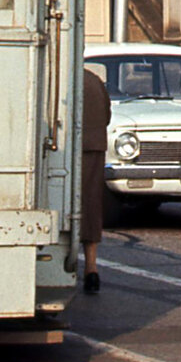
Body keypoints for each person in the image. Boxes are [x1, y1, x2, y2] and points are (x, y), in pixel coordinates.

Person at [81, 66, 111, 294]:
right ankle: (91, 267)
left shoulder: (58, 77)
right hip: (93, 148)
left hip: (66, 147)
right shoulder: (94, 80)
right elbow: (107, 116)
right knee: (91, 207)